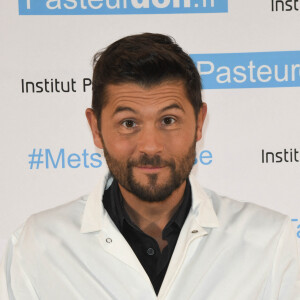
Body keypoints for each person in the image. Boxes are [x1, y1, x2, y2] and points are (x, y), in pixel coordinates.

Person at [0, 33, 299, 300]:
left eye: (168, 120)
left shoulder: (269, 242)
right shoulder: (37, 247)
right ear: (96, 128)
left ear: (199, 122)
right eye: (128, 123)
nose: (151, 146)